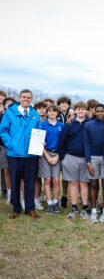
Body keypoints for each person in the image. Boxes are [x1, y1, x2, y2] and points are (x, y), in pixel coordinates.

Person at [0, 89, 42, 219]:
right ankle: (16, 208)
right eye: (24, 97)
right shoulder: (10, 113)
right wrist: (10, 143)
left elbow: (39, 131)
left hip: (30, 155)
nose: (26, 99)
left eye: (29, 97)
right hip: (14, 154)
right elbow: (3, 130)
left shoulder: (34, 114)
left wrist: (40, 142)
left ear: (31, 99)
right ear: (20, 98)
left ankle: (30, 209)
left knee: (30, 182)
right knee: (15, 181)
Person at [58, 101, 90, 219]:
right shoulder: (69, 125)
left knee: (84, 183)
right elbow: (62, 142)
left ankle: (86, 208)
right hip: (70, 157)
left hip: (86, 158)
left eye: (83, 109)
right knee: (73, 183)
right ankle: (74, 207)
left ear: (87, 110)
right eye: (79, 109)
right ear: (75, 110)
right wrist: (63, 158)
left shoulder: (90, 124)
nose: (81, 111)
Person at [84, 103, 104, 223]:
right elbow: (86, 144)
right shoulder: (88, 125)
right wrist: (88, 162)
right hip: (93, 158)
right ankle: (94, 210)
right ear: (94, 112)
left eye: (102, 111)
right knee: (94, 184)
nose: (100, 113)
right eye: (98, 111)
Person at [39, 105, 64, 214]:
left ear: (57, 113)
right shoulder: (42, 124)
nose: (52, 113)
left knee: (56, 180)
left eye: (54, 111)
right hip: (45, 154)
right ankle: (49, 203)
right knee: (47, 180)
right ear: (47, 112)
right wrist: (48, 156)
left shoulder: (62, 126)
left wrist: (57, 156)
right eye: (50, 111)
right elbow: (39, 142)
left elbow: (64, 143)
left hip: (57, 154)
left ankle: (55, 202)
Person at [57, 96, 73, 208]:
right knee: (56, 175)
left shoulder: (73, 114)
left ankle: (66, 197)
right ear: (59, 104)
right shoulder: (54, 113)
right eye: (62, 103)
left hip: (68, 147)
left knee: (67, 175)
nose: (64, 105)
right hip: (56, 146)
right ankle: (58, 196)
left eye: (66, 103)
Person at [0, 97, 17, 205]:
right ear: (4, 105)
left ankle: (18, 193)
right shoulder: (1, 116)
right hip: (4, 147)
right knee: (6, 170)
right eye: (7, 103)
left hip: (16, 148)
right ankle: (9, 194)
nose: (9, 105)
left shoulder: (16, 116)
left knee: (16, 172)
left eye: (11, 103)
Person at [33, 100, 48, 210]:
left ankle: (42, 197)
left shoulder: (49, 122)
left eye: (44, 108)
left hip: (47, 152)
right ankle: (35, 198)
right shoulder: (32, 120)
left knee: (44, 177)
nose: (42, 110)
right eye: (39, 108)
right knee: (35, 177)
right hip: (34, 151)